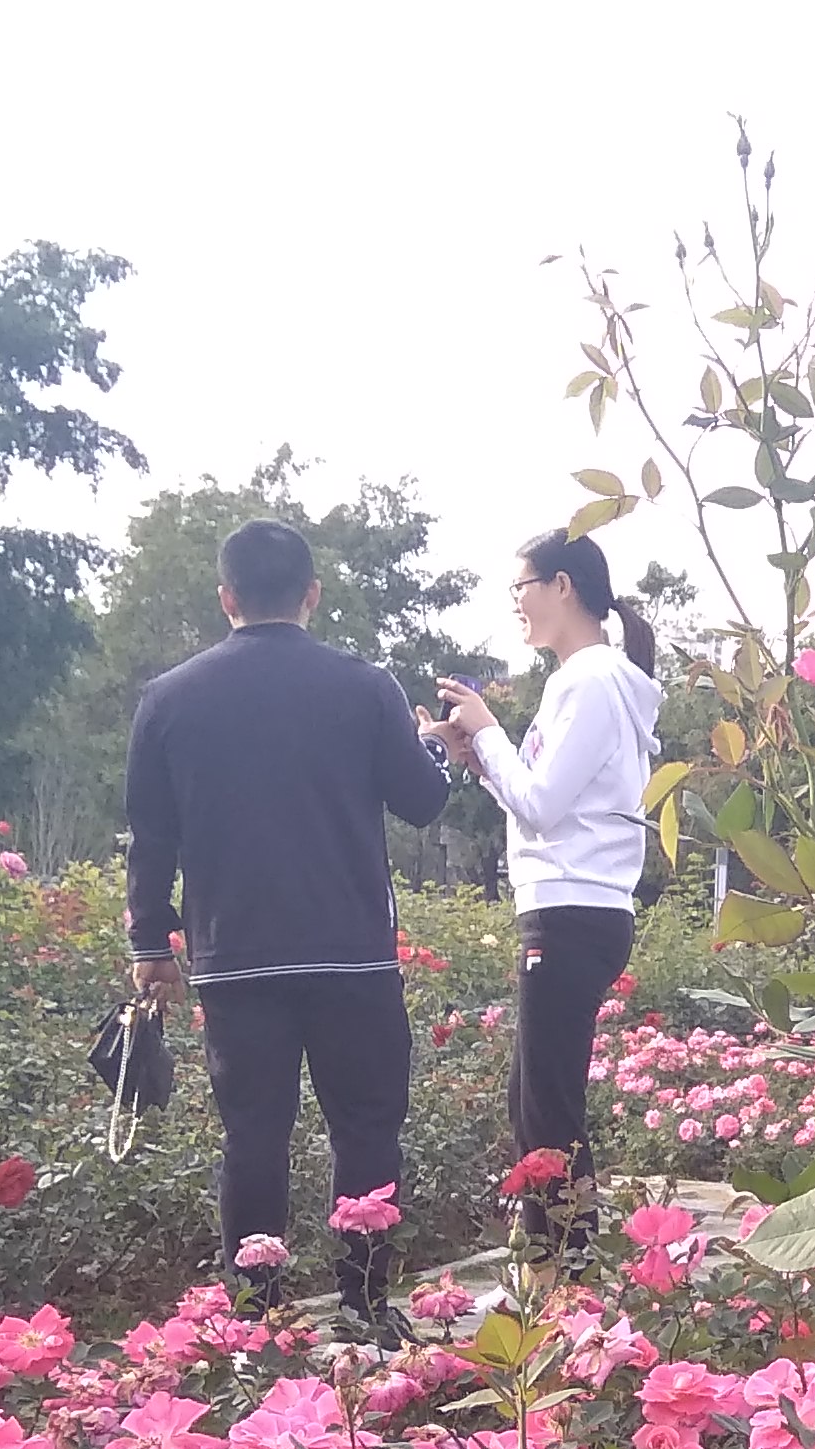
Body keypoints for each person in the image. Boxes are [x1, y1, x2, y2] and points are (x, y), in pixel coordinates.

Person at [125, 517, 454, 1325]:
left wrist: (149, 942)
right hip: (350, 956)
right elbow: (422, 800)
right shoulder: (364, 686)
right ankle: (367, 1301)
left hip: (236, 958)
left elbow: (150, 834)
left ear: (226, 597)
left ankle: (257, 1312)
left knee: (253, 1136)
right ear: (312, 593)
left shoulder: (168, 699)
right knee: (368, 1130)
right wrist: (434, 746)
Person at [435, 527, 660, 1246]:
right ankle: (558, 1258)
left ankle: (564, 1265)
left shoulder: (589, 681)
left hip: (571, 911)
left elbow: (542, 805)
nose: (517, 607)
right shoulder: (590, 682)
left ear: (562, 585)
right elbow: (540, 803)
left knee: (546, 1108)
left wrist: (491, 731)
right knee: (534, 1099)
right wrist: (478, 757)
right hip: (575, 906)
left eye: (521, 589)